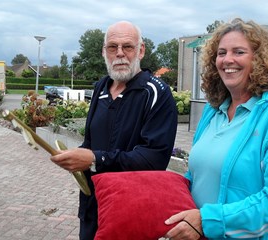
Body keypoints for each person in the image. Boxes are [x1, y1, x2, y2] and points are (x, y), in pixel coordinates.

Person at [164, 18, 268, 239]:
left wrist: (208, 221)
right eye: (221, 53)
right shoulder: (213, 110)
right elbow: (196, 176)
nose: (227, 60)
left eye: (239, 52)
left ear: (261, 60)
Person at [50, 20, 178, 240]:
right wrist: (75, 158)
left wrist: (94, 159)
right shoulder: (100, 87)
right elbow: (90, 143)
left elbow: (153, 160)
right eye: (112, 47)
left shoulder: (156, 93)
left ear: (141, 50)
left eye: (127, 46)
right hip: (93, 208)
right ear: (104, 52)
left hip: (131, 214)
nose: (120, 54)